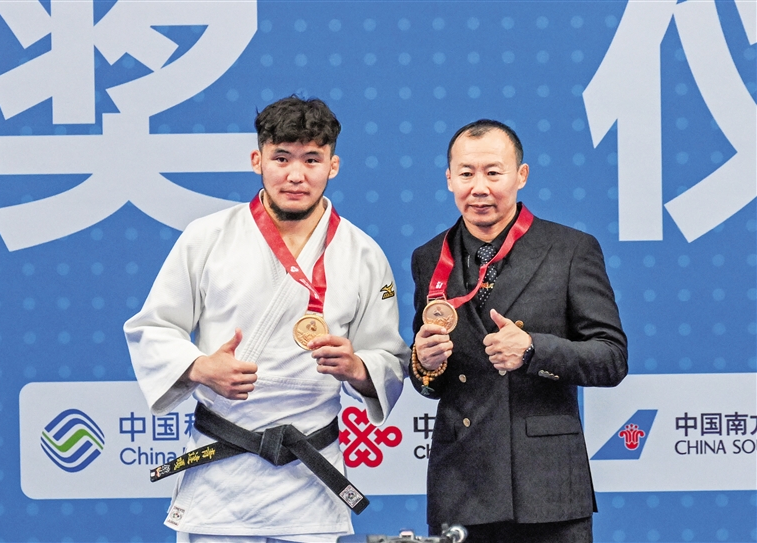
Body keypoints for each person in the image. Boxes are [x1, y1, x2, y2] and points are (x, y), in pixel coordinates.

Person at [124, 95, 409, 542]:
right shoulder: (207, 237)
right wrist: (200, 367)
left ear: (332, 166)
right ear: (257, 160)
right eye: (281, 158)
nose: (296, 175)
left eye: (311, 159)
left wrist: (357, 367)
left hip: (309, 475)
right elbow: (153, 327)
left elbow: (390, 357)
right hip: (222, 475)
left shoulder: (364, 254)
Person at [409, 120, 628, 542]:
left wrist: (532, 351)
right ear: (449, 178)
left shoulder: (570, 249)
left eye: (494, 172)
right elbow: (427, 380)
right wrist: (424, 362)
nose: (480, 187)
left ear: (521, 176)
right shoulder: (428, 257)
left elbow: (612, 358)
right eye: (467, 173)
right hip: (461, 482)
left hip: (545, 487)